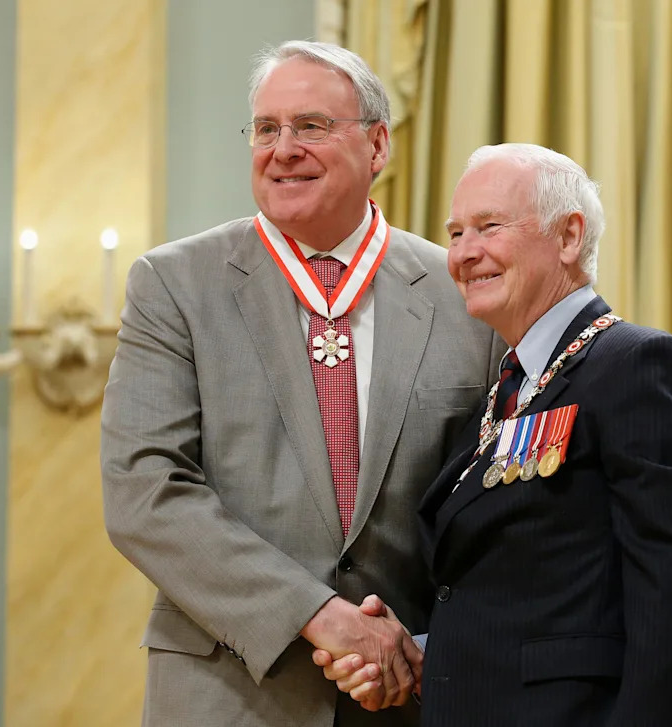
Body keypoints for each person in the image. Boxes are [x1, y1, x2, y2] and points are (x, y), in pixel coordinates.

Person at [99, 41, 503, 727]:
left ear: (378, 145)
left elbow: (494, 511)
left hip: (409, 694)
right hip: (226, 696)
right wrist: (319, 614)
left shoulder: (463, 293)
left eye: (311, 126)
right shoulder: (173, 284)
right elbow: (144, 490)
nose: (282, 148)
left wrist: (427, 649)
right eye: (266, 129)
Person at [316, 143, 672, 727]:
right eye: (455, 233)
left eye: (488, 227)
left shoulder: (638, 366)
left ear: (568, 237)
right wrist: (419, 655)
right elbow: (525, 598)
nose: (463, 253)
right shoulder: (507, 389)